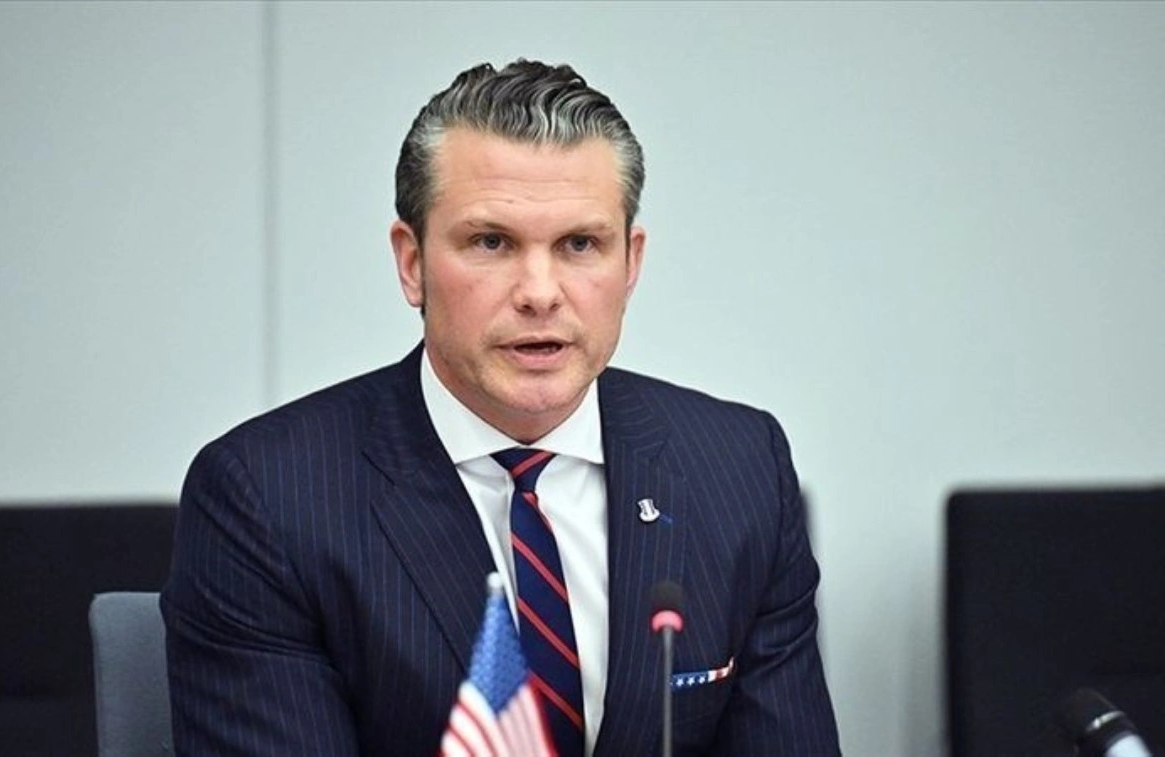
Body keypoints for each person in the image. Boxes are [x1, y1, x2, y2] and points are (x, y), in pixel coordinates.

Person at [161, 59, 840, 756]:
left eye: (580, 244)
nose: (540, 292)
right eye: (491, 242)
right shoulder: (268, 498)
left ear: (630, 263)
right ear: (412, 262)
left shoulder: (739, 469)